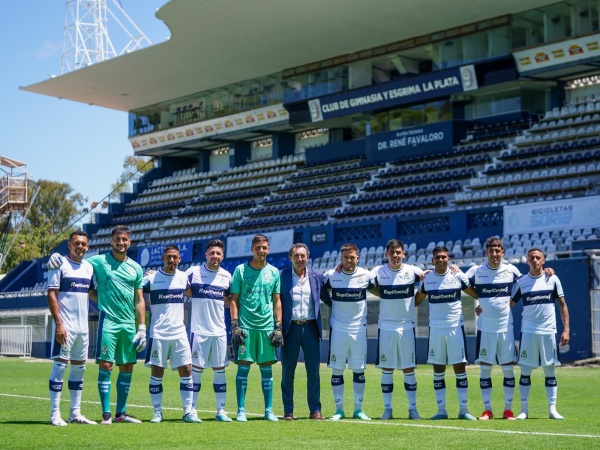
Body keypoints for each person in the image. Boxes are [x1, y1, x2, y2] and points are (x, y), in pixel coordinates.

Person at [49, 224, 146, 424]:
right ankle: (105, 415)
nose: (121, 243)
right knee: (105, 365)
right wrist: (54, 257)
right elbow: (72, 264)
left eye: (124, 239)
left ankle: (119, 414)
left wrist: (142, 327)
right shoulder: (97, 262)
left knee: (126, 366)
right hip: (106, 321)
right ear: (111, 241)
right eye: (117, 239)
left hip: (126, 324)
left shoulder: (135, 268)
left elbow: (139, 299)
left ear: (129, 242)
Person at [467, 237, 555, 421]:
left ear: (503, 252)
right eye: (491, 251)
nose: (494, 254)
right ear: (486, 252)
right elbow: (460, 283)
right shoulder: (476, 271)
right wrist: (480, 298)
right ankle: (487, 410)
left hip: (506, 327)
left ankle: (508, 410)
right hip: (485, 328)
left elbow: (530, 280)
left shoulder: (511, 270)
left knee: (508, 369)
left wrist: (547, 271)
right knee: (485, 370)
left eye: (497, 251)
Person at [415, 245, 478, 420]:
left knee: (460, 368)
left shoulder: (458, 276)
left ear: (448, 259)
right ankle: (441, 410)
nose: (441, 260)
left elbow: (477, 294)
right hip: (435, 329)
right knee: (438, 369)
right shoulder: (427, 279)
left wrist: (482, 306)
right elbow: (416, 301)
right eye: (438, 257)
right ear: (432, 260)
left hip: (455, 328)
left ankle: (463, 410)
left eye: (444, 257)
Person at [511, 248, 569, 420]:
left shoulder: (553, 279)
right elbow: (509, 304)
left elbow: (562, 305)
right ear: (527, 261)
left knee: (550, 370)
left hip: (549, 331)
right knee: (525, 371)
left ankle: (552, 410)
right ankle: (524, 410)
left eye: (538, 258)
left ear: (543, 260)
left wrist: (566, 329)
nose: (535, 260)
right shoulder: (522, 282)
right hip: (528, 331)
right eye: (532, 258)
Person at [229, 234, 283, 422]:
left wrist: (278, 326)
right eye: (258, 247)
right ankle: (241, 410)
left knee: (266, 369)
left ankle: (268, 410)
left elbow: (277, 301)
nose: (261, 251)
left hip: (266, 327)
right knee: (243, 368)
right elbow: (234, 300)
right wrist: (235, 325)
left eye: (264, 247)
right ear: (252, 249)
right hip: (246, 326)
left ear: (269, 249)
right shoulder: (240, 270)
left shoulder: (274, 272)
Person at [47, 231, 97, 426]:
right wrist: (59, 324)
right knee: (60, 368)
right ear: (69, 245)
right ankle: (54, 415)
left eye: (83, 244)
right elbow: (52, 294)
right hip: (65, 327)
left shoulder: (88, 268)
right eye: (76, 243)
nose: (80, 247)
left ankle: (75, 413)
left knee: (79, 369)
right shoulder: (59, 264)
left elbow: (91, 293)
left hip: (83, 329)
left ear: (88, 247)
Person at [321, 242, 376, 421]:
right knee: (337, 370)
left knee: (359, 370)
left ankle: (358, 410)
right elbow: (318, 287)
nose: (349, 260)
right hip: (338, 329)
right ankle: (339, 410)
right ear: (341, 258)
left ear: (357, 258)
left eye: (352, 257)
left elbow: (382, 281)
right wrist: (330, 302)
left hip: (359, 330)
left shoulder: (366, 275)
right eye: (345, 257)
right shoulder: (332, 275)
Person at [370, 239, 423, 420]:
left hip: (406, 326)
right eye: (392, 252)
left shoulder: (413, 271)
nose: (395, 256)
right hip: (386, 327)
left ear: (404, 254)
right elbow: (359, 277)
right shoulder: (378, 272)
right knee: (387, 368)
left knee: (409, 368)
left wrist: (453, 269)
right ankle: (387, 409)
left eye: (398, 252)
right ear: (386, 254)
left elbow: (431, 275)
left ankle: (413, 409)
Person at [143, 245, 197, 423]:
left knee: (187, 369)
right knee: (157, 371)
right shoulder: (151, 278)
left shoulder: (183, 278)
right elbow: (136, 292)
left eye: (175, 257)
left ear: (179, 259)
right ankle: (157, 412)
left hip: (179, 332)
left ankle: (188, 412)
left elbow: (192, 293)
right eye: (169, 257)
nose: (172, 260)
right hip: (158, 333)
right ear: (163, 259)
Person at [186, 239, 233, 422]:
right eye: (212, 253)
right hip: (199, 331)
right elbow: (178, 282)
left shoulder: (226, 276)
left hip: (220, 331)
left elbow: (229, 299)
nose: (215, 256)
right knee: (196, 371)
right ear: (206, 254)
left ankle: (221, 411)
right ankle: (192, 410)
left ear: (223, 256)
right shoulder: (194, 272)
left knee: (220, 370)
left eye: (218, 253)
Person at [279, 243, 324, 420]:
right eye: (296, 256)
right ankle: (288, 411)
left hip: (311, 328)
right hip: (290, 329)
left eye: (302, 256)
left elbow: (327, 296)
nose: (299, 259)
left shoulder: (317, 276)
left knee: (313, 372)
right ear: (290, 257)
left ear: (308, 257)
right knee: (287, 372)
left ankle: (315, 410)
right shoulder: (281, 276)